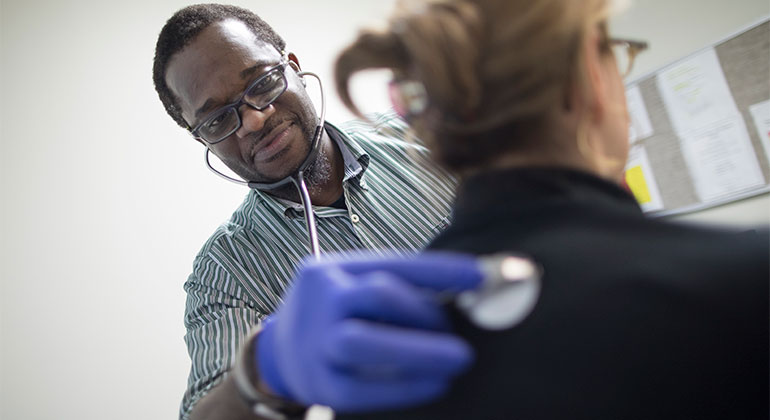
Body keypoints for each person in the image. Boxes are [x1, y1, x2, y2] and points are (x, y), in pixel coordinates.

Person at [246, 0, 769, 418]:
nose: (252, 120)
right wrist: (261, 369)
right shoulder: (749, 285)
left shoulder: (382, 389)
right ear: (590, 67)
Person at [152, 4, 458, 419]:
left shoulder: (425, 137)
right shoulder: (227, 275)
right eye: (219, 119)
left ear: (293, 67)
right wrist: (262, 375)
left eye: (261, 82)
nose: (255, 120)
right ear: (202, 138)